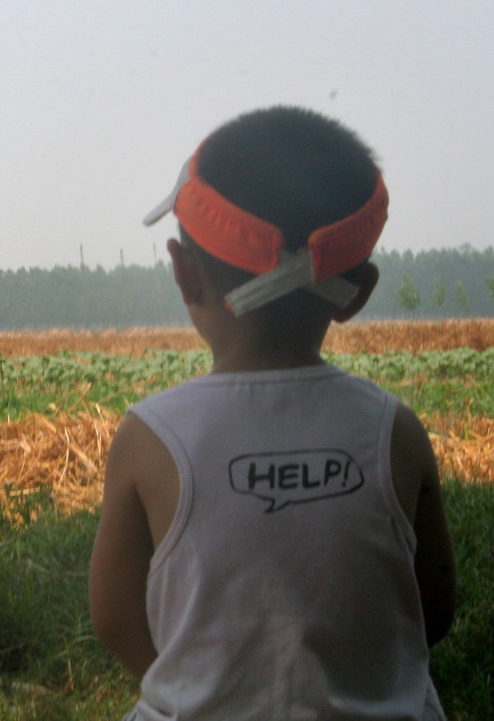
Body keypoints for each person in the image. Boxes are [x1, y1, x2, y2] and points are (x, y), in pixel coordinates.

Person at [88, 106, 456, 719]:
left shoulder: (150, 437)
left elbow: (114, 618)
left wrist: (201, 685)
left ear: (184, 273)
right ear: (357, 293)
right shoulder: (394, 431)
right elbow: (433, 611)